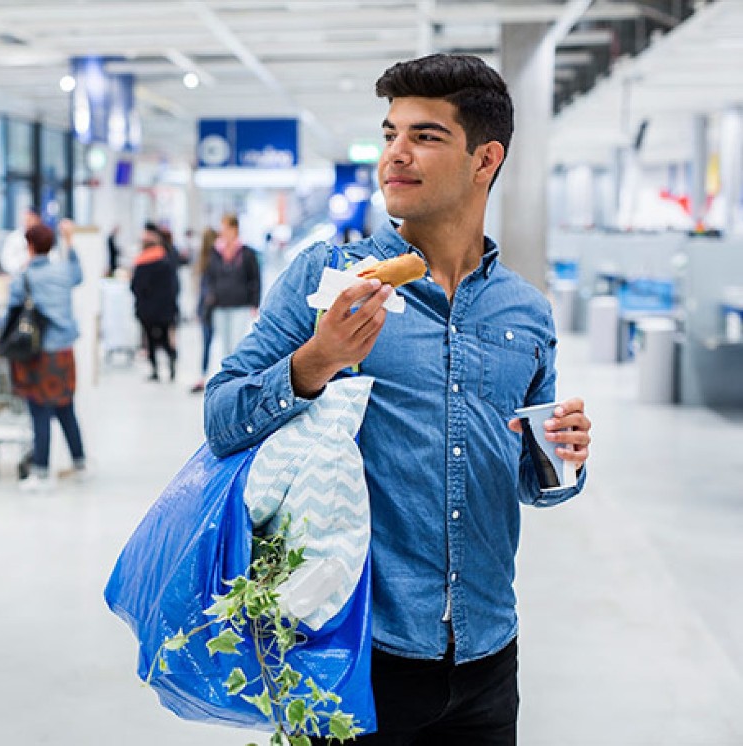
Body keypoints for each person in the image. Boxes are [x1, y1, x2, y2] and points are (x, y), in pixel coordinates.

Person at [204, 54, 592, 744]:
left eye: (426, 136)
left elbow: (537, 483)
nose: (396, 155)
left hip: (487, 656)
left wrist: (563, 459)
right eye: (390, 134)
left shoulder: (524, 312)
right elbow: (222, 416)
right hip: (354, 652)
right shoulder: (328, 279)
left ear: (485, 159)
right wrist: (318, 359)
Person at [8, 220, 87, 491]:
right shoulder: (63, 271)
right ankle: (80, 463)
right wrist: (71, 242)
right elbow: (79, 275)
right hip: (65, 352)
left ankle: (41, 473)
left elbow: (12, 307)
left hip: (40, 354)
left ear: (29, 246)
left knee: (39, 411)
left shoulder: (25, 277)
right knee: (66, 407)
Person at [203, 213, 261, 361]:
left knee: (237, 343)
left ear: (235, 229)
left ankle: (236, 377)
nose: (223, 232)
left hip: (240, 304)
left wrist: (255, 303)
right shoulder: (215, 252)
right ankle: (229, 376)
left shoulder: (246, 253)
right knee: (225, 346)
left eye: (226, 228)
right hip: (220, 304)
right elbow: (210, 276)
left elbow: (254, 278)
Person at [130, 225, 178, 382]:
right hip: (165, 307)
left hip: (147, 309)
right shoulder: (166, 258)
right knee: (164, 338)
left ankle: (155, 370)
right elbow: (174, 285)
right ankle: (171, 362)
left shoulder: (141, 261)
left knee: (150, 339)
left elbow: (135, 286)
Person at [189, 226, 218, 394]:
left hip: (206, 307)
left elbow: (202, 288)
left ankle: (203, 374)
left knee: (207, 343)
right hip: (214, 306)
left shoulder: (203, 260)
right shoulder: (215, 259)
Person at [1, 208, 41, 275]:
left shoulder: (43, 236)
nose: (27, 222)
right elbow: (6, 262)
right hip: (19, 275)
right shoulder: (14, 237)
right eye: (26, 220)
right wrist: (23, 263)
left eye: (31, 219)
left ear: (38, 220)